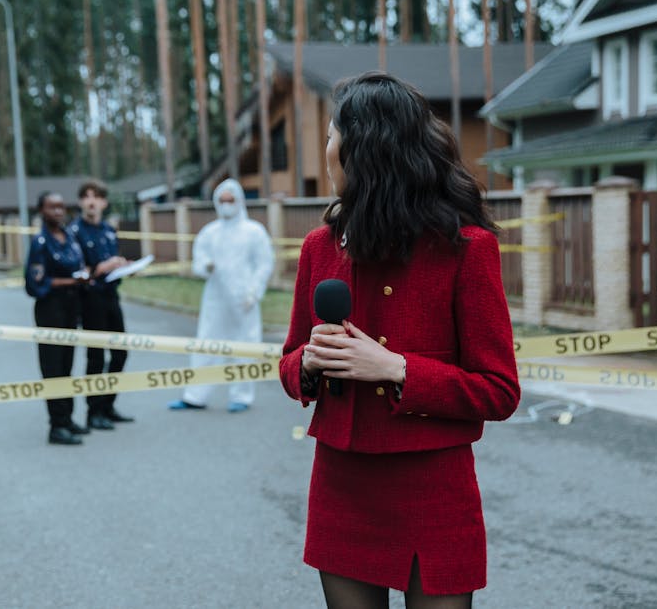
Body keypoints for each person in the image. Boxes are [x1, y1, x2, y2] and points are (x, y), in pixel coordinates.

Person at [278, 72, 520, 609]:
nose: (326, 150)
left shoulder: (467, 249)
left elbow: (500, 391)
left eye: (331, 135)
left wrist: (396, 369)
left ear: (363, 148)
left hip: (433, 488)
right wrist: (311, 364)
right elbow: (289, 360)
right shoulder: (320, 246)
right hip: (343, 483)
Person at [169, 178, 274, 413]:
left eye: (231, 200)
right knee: (206, 343)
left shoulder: (254, 231)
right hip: (215, 299)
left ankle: (242, 396)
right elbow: (198, 260)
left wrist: (254, 292)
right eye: (222, 200)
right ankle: (195, 396)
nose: (227, 204)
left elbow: (264, 264)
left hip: (244, 298)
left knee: (245, 346)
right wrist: (205, 266)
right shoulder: (210, 233)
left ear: (240, 201)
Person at [25, 191, 91, 445]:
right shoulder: (40, 242)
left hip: (71, 307)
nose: (58, 211)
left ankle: (68, 418)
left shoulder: (70, 237)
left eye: (61, 207)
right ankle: (56, 425)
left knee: (67, 366)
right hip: (50, 309)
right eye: (52, 207)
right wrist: (71, 280)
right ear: (41, 210)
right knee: (53, 368)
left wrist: (84, 274)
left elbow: (79, 265)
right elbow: (35, 282)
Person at [70, 180, 134, 430]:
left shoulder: (108, 230)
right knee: (96, 357)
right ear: (80, 202)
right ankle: (93, 412)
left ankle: (108, 405)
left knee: (120, 352)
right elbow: (75, 270)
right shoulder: (75, 232)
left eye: (96, 196)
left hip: (111, 296)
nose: (91, 201)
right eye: (86, 196)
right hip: (89, 300)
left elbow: (112, 264)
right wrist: (101, 268)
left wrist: (123, 267)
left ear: (104, 203)